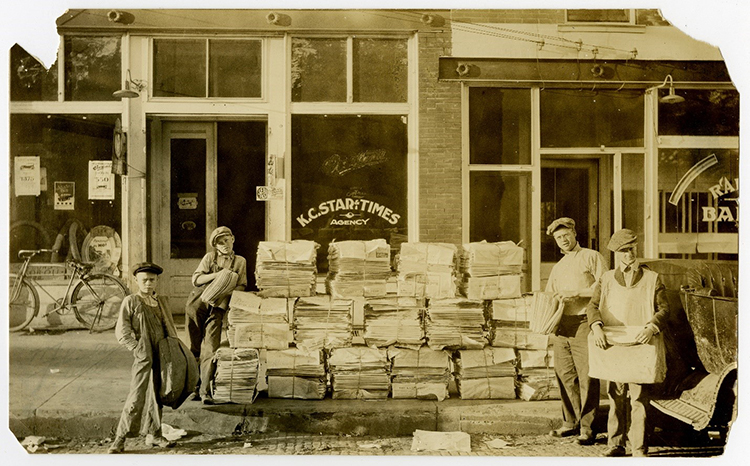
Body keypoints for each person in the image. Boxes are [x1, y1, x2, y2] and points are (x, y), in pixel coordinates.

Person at [587, 229, 671, 457]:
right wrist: (596, 327)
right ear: (616, 254)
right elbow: (593, 307)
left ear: (637, 248)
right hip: (613, 344)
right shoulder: (605, 279)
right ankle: (615, 444)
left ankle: (638, 448)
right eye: (623, 251)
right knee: (615, 395)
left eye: (631, 249)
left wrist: (651, 326)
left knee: (639, 398)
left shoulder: (652, 278)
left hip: (640, 345)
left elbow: (664, 309)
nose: (628, 255)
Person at [544, 217, 606, 446]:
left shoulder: (591, 256)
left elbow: (604, 286)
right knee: (564, 374)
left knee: (587, 374)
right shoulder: (558, 267)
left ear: (574, 232)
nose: (563, 240)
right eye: (558, 238)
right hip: (562, 324)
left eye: (566, 235)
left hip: (583, 321)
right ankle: (570, 423)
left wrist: (578, 293)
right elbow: (550, 293)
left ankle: (588, 428)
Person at [109, 262, 178, 454]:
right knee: (136, 395)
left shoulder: (161, 302)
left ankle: (155, 434)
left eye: (152, 280)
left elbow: (169, 328)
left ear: (157, 281)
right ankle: (120, 438)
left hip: (162, 353)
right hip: (143, 354)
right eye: (144, 280)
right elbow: (122, 330)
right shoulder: (131, 301)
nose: (148, 283)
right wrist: (136, 348)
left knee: (158, 394)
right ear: (136, 280)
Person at [185, 226, 247, 405]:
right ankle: (194, 388)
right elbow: (196, 279)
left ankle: (205, 391)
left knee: (211, 348)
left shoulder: (240, 261)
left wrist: (225, 291)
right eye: (220, 242)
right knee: (194, 347)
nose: (224, 245)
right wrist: (218, 276)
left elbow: (242, 285)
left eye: (227, 240)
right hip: (197, 304)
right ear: (215, 246)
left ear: (233, 239)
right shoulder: (209, 258)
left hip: (218, 307)